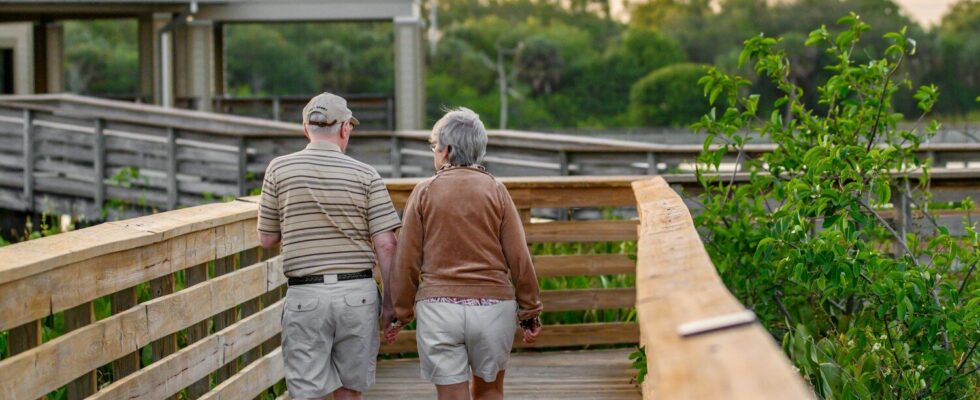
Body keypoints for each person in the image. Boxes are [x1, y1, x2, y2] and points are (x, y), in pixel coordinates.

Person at [385, 107, 543, 400]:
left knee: (452, 396)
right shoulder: (497, 190)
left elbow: (407, 259)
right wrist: (530, 312)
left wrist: (401, 312)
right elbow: (519, 257)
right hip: (493, 307)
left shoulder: (424, 192)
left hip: (439, 309)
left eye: (434, 148)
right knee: (491, 392)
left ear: (446, 150)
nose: (434, 154)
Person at [257, 93, 401, 400]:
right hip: (357, 296)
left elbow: (267, 238)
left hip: (305, 296)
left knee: (307, 392)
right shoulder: (366, 175)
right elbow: (387, 244)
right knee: (349, 392)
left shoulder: (279, 169)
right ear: (345, 128)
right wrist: (391, 303)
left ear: (305, 128)